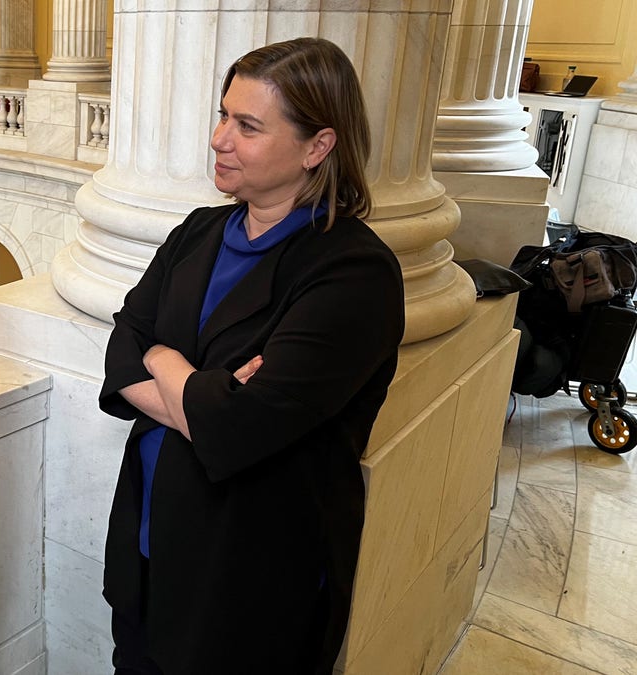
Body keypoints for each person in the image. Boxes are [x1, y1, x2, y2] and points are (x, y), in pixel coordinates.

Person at [98, 37, 405, 674]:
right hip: (150, 547)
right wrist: (196, 385)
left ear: (317, 146)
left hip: (249, 581)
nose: (218, 138)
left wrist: (163, 357)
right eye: (222, 115)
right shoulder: (198, 231)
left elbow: (238, 427)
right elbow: (121, 346)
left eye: (247, 126)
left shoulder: (353, 273)